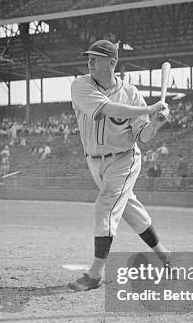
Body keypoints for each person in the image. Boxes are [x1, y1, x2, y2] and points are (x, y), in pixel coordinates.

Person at [69, 39, 171, 292]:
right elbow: (106, 108)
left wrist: (156, 122)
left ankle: (95, 273)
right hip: (94, 162)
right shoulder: (80, 85)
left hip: (124, 159)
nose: (90, 61)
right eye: (89, 57)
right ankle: (165, 255)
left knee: (105, 205)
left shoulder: (131, 93)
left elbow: (144, 136)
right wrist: (149, 108)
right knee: (128, 209)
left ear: (112, 62)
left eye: (96, 58)